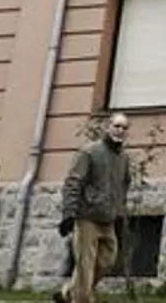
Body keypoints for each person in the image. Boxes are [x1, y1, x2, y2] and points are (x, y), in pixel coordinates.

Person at [55, 113, 133, 303]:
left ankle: (68, 293)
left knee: (108, 261)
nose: (120, 131)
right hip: (87, 217)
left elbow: (123, 186)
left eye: (124, 128)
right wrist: (69, 214)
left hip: (108, 219)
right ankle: (82, 298)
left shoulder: (123, 158)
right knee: (85, 266)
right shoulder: (89, 152)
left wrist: (120, 213)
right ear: (107, 127)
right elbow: (73, 183)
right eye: (117, 126)